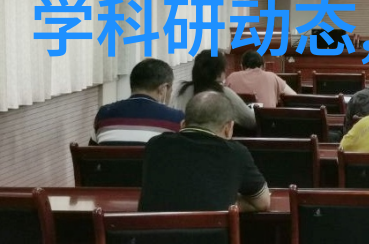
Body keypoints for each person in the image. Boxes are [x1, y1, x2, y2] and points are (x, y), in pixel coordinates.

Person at [138, 92, 270, 213]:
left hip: (153, 232)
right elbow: (262, 203)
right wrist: (229, 203)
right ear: (228, 128)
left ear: (183, 124)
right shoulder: (237, 153)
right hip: (211, 232)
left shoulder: (155, 145)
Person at [94, 58, 184, 145]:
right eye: (171, 89)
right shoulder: (176, 119)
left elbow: (92, 150)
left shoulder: (103, 114)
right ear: (163, 89)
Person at [171, 51, 256, 131]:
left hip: (182, 137)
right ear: (219, 72)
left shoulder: (181, 89)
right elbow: (251, 121)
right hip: (213, 140)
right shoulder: (224, 93)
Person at [225, 51, 296, 108]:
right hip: (266, 120)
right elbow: (294, 96)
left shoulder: (232, 77)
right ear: (263, 66)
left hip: (238, 121)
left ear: (242, 66)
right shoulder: (272, 76)